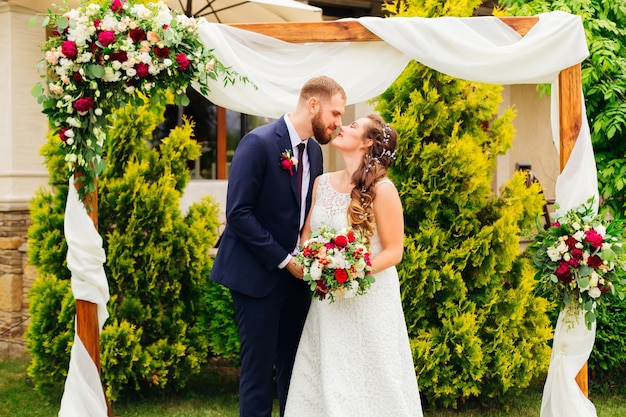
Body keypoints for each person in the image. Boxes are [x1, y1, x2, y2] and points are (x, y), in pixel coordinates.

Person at [210, 76, 347, 417]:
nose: (338, 123)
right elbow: (238, 214)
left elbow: (303, 215)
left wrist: (312, 256)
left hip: (297, 279)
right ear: (312, 104)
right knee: (258, 373)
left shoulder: (314, 151)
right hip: (255, 277)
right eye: (335, 113)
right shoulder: (257, 143)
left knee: (295, 369)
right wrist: (285, 260)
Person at [284, 114, 424, 416]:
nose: (343, 127)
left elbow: (393, 251)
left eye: (353, 126)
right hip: (327, 301)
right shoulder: (322, 183)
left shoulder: (383, 190)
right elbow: (307, 236)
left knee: (373, 374)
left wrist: (350, 271)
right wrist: (317, 264)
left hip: (368, 299)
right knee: (325, 369)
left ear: (368, 142)